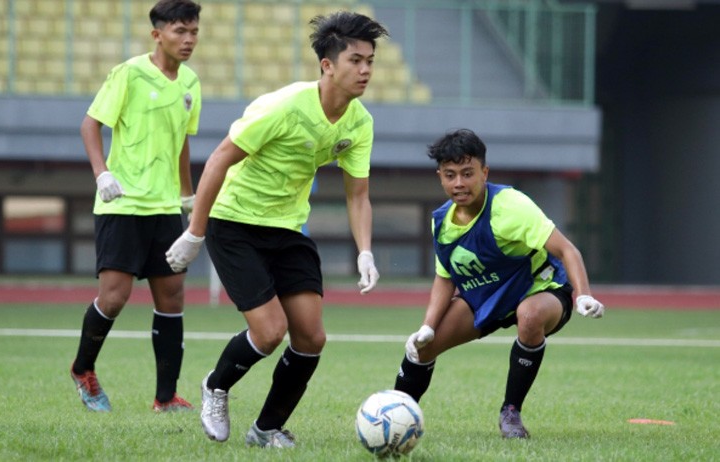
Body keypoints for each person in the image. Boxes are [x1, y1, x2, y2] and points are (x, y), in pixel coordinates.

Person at [165, 11, 388, 448]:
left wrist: (366, 252)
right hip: (235, 223)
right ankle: (216, 385)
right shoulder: (284, 106)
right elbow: (219, 159)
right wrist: (195, 233)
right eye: (356, 60)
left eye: (370, 61)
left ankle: (265, 428)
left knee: (311, 336)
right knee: (269, 332)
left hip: (287, 229)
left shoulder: (360, 123)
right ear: (328, 65)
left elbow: (357, 194)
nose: (365, 70)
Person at [395, 128, 605, 438]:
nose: (459, 183)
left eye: (468, 173)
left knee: (530, 316)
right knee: (422, 349)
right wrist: (427, 326)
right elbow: (445, 277)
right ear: (440, 176)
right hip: (486, 296)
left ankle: (511, 413)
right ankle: (396, 415)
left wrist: (583, 295)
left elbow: (566, 250)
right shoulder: (441, 221)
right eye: (450, 175)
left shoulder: (510, 206)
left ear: (484, 172)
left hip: (539, 288)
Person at [69, 0, 202, 413]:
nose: (189, 40)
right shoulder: (128, 73)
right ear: (157, 34)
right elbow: (91, 124)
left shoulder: (191, 83)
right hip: (122, 203)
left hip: (164, 208)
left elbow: (182, 140)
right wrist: (101, 174)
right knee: (114, 297)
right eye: (181, 31)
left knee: (173, 297)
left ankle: (165, 398)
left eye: (195, 31)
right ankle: (82, 370)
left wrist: (188, 195)